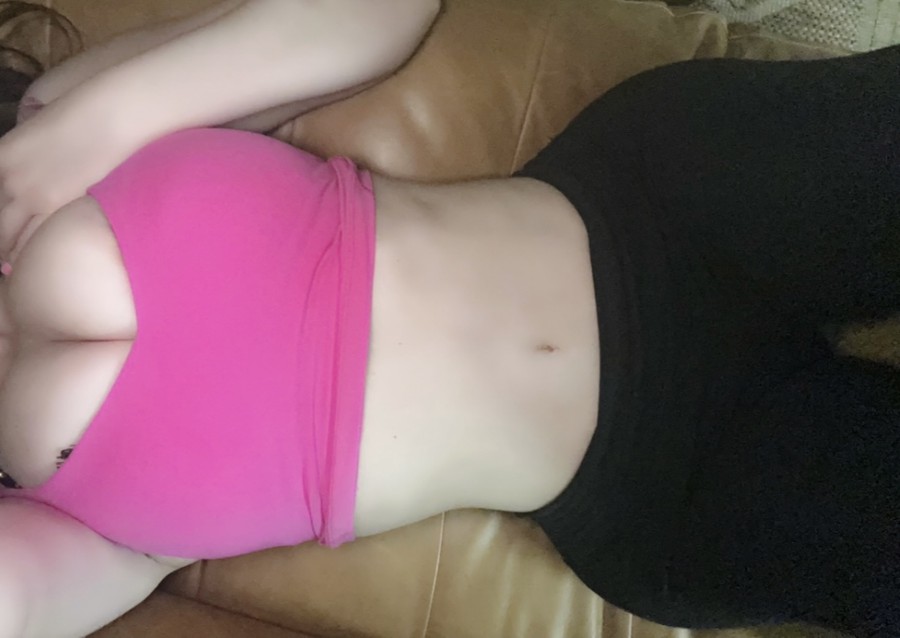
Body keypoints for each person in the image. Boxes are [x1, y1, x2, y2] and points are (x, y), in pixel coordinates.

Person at [0, 1, 896, 636]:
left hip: (670, 201)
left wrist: (82, 131)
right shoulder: (43, 525)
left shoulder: (45, 138)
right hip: (668, 497)